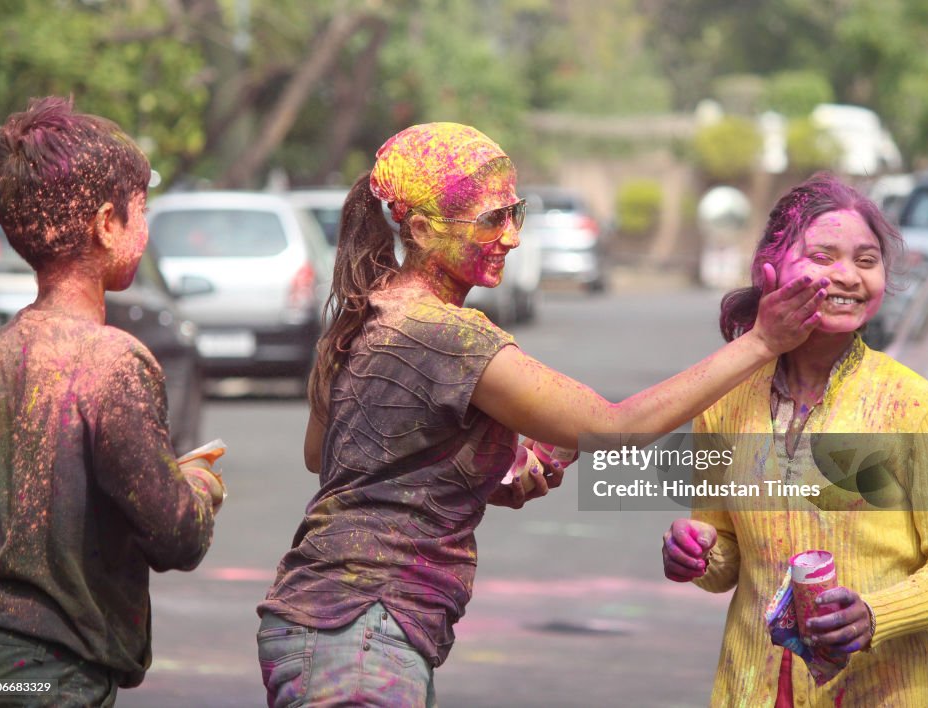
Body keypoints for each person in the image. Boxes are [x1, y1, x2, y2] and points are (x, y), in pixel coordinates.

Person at [257, 122, 828, 707]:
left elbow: (329, 456)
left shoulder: (370, 310)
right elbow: (617, 428)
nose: (511, 237)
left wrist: (487, 463)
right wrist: (761, 342)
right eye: (490, 220)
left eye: (515, 213)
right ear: (423, 230)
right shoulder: (446, 334)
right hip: (360, 631)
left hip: (325, 621)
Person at [662, 172, 928, 706]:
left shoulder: (914, 405)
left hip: (874, 690)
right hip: (751, 690)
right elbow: (725, 559)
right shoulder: (727, 399)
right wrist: (696, 553)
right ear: (770, 270)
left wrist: (876, 613)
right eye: (822, 256)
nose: (848, 277)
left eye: (866, 260)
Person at [0, 96, 226, 706]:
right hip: (51, 678)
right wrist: (200, 486)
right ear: (107, 223)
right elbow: (176, 537)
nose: (145, 228)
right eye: (142, 212)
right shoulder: (114, 362)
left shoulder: (0, 352)